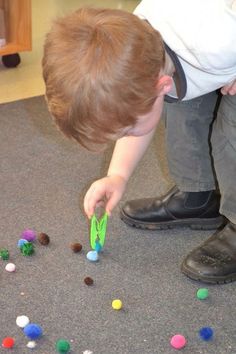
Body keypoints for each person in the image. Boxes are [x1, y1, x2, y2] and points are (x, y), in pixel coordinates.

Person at [42, 0, 236, 284]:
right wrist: (117, 175)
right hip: (205, 60)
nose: (126, 137)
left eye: (126, 130)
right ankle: (200, 194)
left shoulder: (220, 40)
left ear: (160, 86)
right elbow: (142, 112)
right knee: (182, 107)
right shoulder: (141, 53)